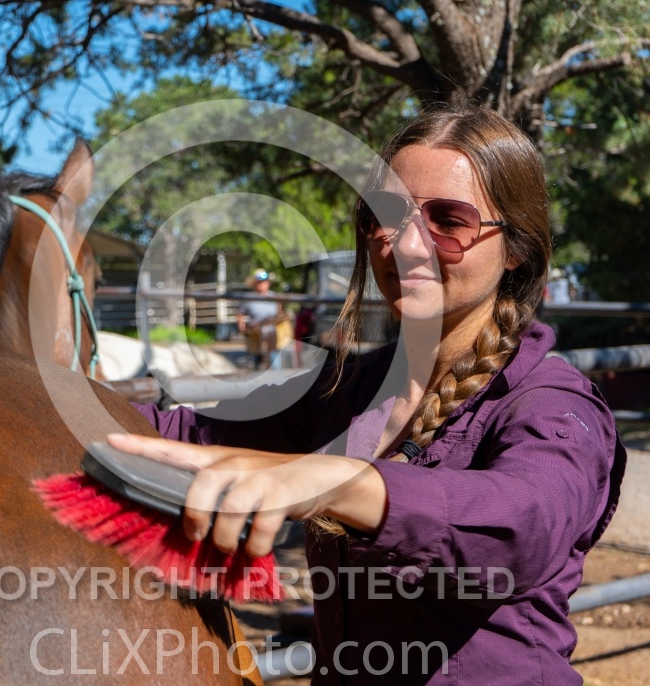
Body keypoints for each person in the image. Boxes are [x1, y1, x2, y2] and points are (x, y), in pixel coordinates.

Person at [110, 106, 626, 684]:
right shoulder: (346, 389)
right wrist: (35, 392)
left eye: (448, 220)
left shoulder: (553, 406)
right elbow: (182, 434)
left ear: (516, 248)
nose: (407, 245)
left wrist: (336, 482)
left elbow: (523, 525)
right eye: (387, 216)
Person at [236, 268, 284, 369]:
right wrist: (241, 323)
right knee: (256, 358)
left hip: (271, 329)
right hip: (256, 331)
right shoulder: (249, 298)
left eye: (264, 282)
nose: (262, 284)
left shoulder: (273, 296)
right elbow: (240, 313)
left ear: (268, 283)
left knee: (274, 353)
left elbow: (279, 311)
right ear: (255, 283)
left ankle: (276, 373)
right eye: (260, 282)